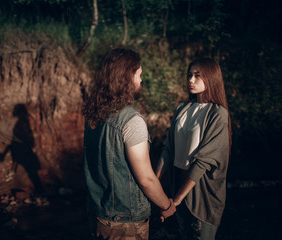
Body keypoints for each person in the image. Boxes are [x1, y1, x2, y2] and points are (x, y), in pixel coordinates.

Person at [83, 48, 176, 240]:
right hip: (124, 221)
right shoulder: (132, 121)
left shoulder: (94, 113)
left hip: (98, 214)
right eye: (139, 75)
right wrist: (167, 205)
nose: (141, 80)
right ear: (126, 78)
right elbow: (146, 179)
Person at [156, 57, 232, 240]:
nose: (191, 80)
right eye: (190, 75)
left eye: (197, 76)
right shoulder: (182, 108)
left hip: (201, 193)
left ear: (211, 78)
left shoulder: (218, 114)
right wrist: (153, 181)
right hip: (178, 186)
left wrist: (177, 200)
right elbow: (168, 148)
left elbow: (204, 160)